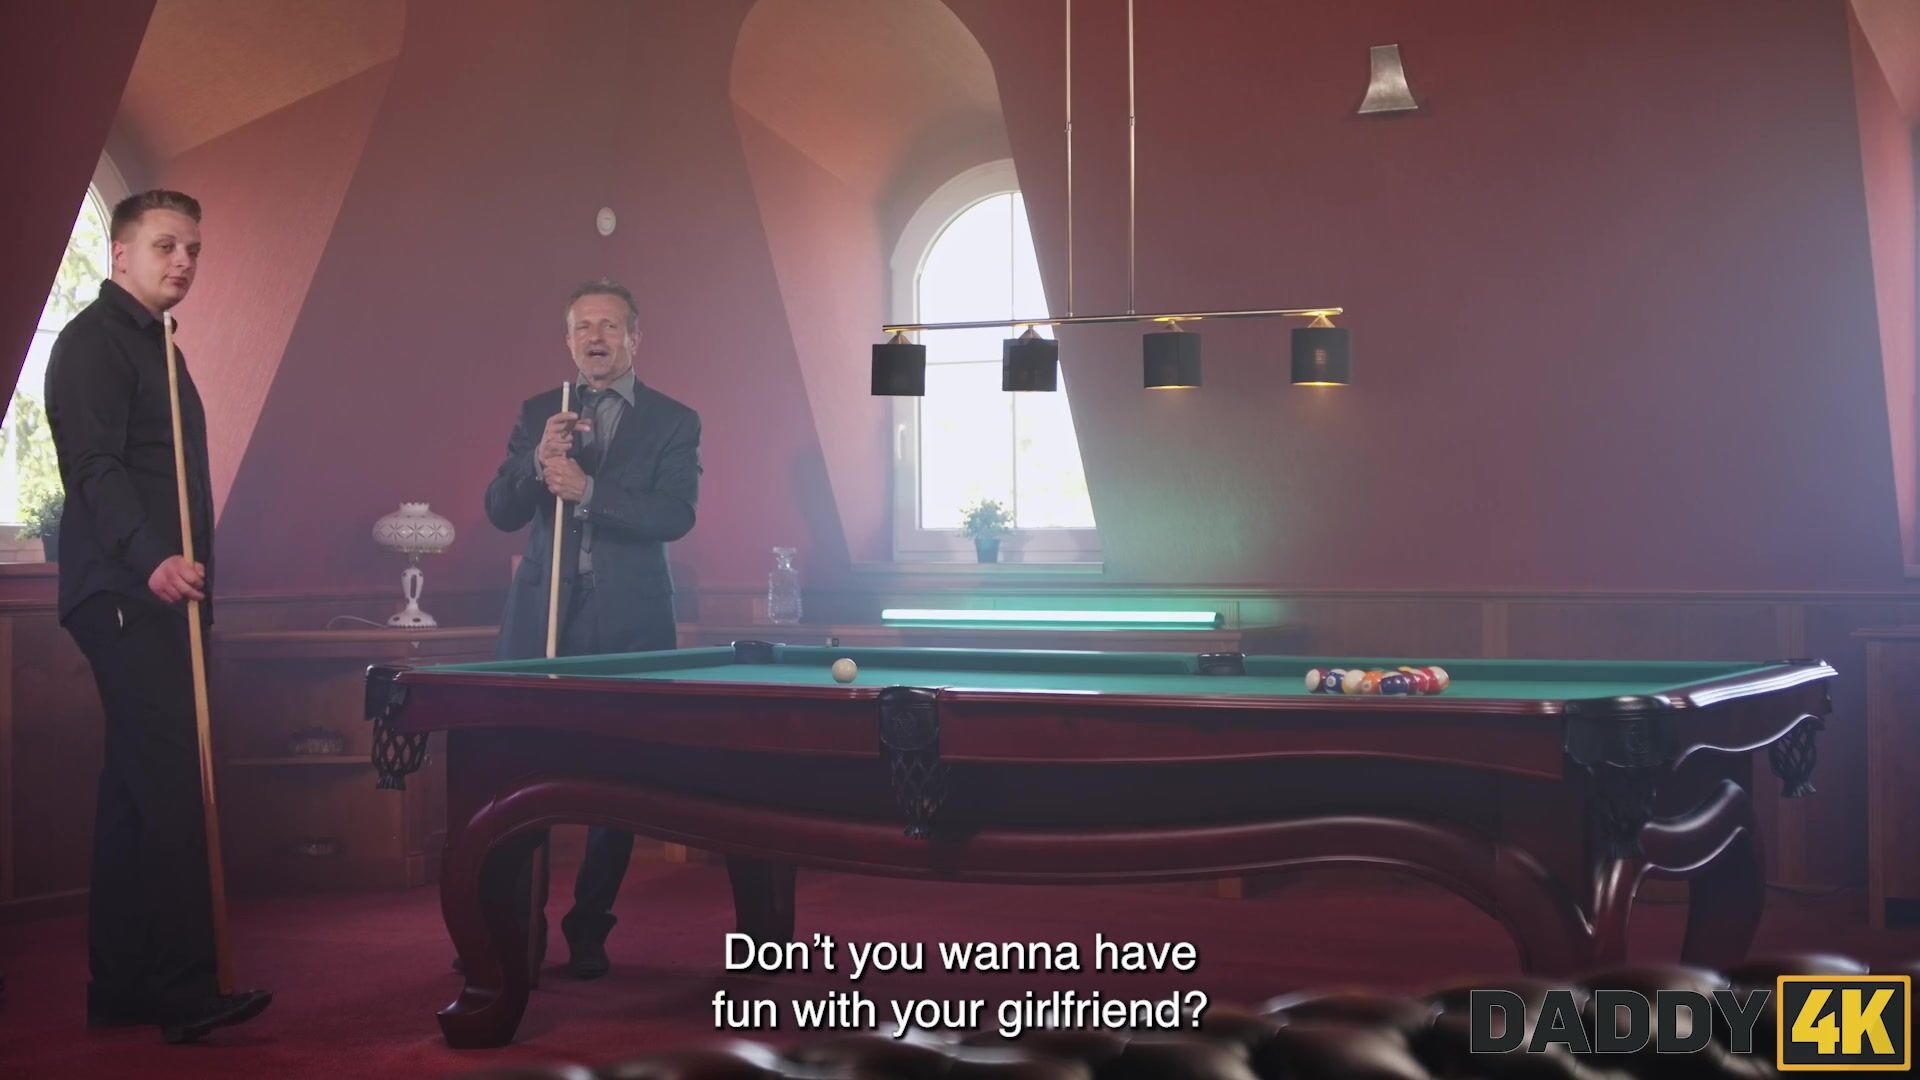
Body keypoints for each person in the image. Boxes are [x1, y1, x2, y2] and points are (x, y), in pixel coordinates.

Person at [44, 189, 272, 1043]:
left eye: (194, 250)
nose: (184, 261)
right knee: (171, 785)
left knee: (133, 792)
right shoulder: (92, 344)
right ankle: (185, 990)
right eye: (166, 246)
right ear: (120, 254)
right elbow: (93, 468)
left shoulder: (156, 344)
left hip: (157, 593)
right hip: (126, 594)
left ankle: (120, 985)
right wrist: (151, 559)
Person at [484, 278, 702, 978]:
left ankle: (588, 928)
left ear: (635, 338)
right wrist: (534, 461)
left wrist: (591, 492)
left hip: (629, 622)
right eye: (584, 327)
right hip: (543, 617)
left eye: (610, 326)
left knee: (616, 778)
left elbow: (675, 515)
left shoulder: (673, 420)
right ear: (569, 340)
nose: (596, 337)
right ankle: (513, 928)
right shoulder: (539, 411)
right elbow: (500, 510)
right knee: (522, 774)